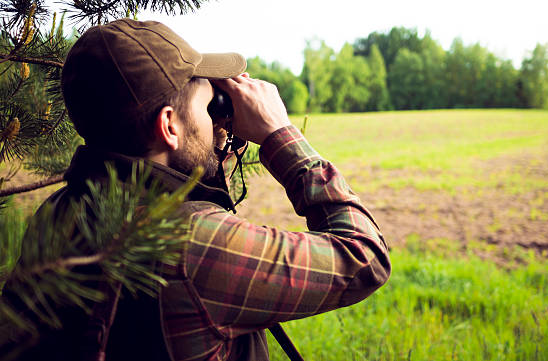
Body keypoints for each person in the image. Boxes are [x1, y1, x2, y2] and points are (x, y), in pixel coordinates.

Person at [6, 18, 390, 360]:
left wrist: (207, 153)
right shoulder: (194, 243)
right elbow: (365, 257)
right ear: (169, 126)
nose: (218, 120)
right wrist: (279, 134)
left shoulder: (57, 213)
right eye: (209, 106)